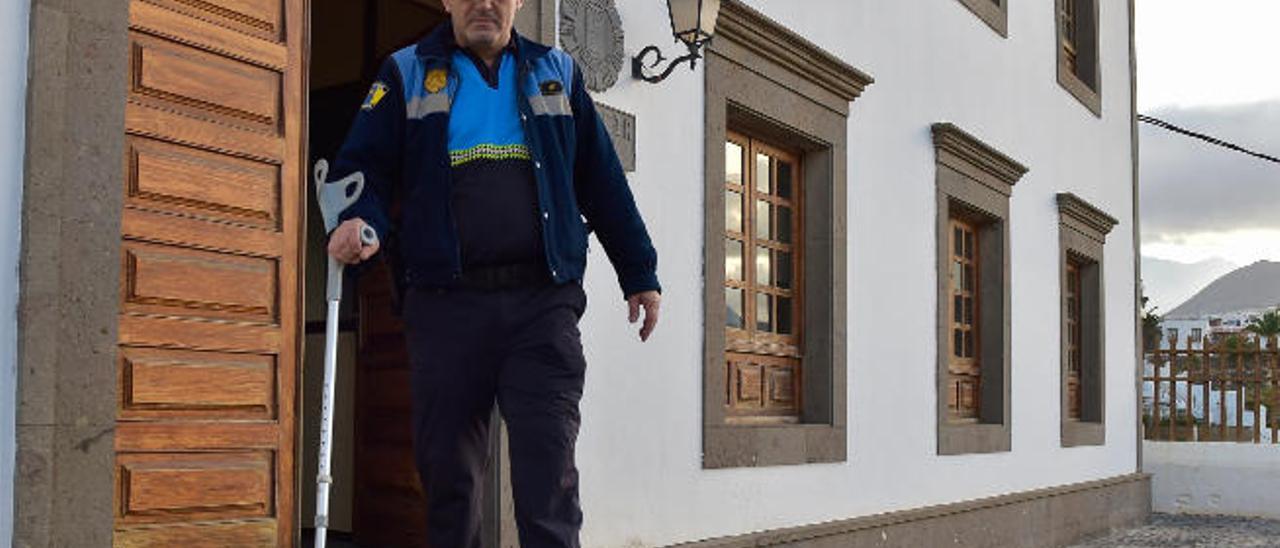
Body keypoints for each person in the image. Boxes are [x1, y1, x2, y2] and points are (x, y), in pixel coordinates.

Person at [324, 0, 661, 546]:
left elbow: (601, 178)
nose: (484, 4)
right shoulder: (405, 72)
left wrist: (639, 270)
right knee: (449, 481)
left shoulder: (558, 73)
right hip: (445, 306)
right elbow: (364, 165)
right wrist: (356, 219)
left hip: (542, 307)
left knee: (549, 477)